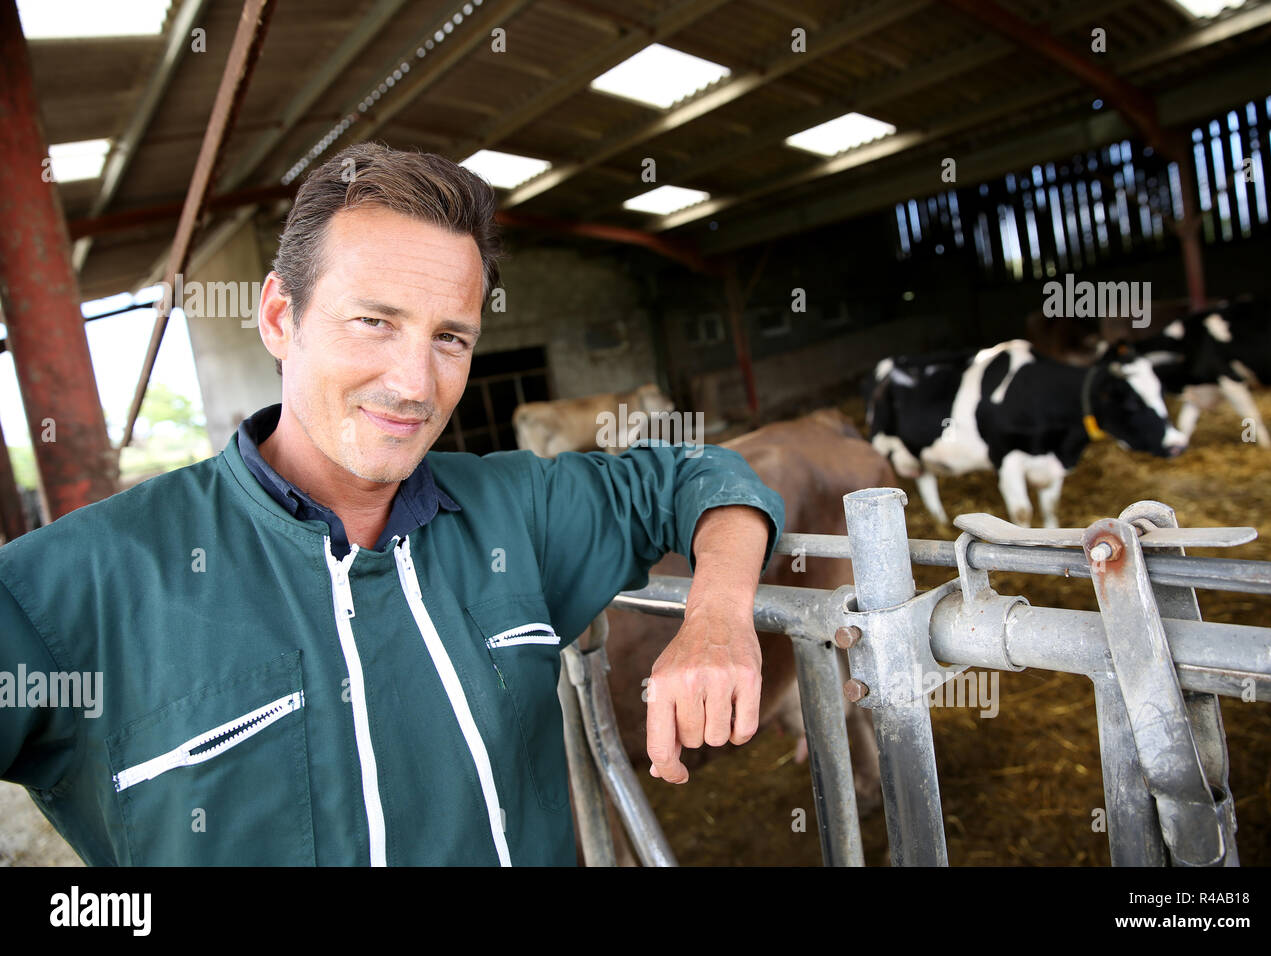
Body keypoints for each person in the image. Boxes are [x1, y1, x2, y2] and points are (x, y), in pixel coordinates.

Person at [0, 143, 784, 866]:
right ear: (280, 317)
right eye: (375, 322)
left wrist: (716, 614)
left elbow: (697, 471)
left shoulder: (514, 509)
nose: (415, 384)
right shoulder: (72, 588)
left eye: (451, 338)